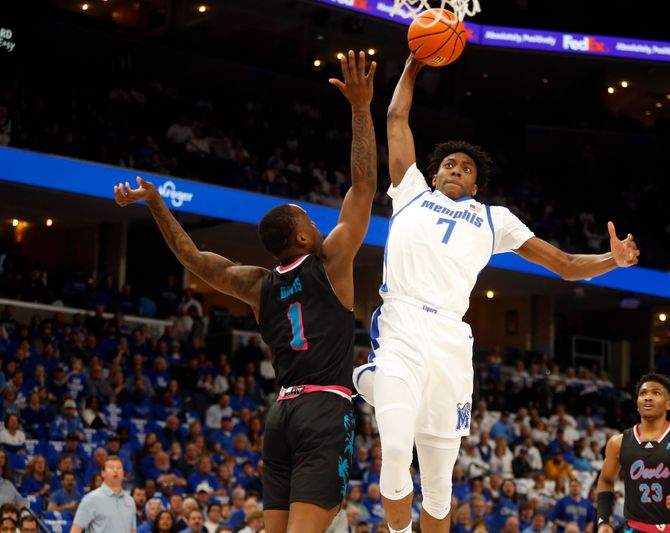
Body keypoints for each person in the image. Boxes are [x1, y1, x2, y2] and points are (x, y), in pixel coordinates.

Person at [352, 54, 640, 533]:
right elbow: (396, 118)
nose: (455, 169)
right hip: (402, 322)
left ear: (476, 182)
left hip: (450, 338)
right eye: (448, 163)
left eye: (465, 167)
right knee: (397, 451)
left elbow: (565, 265)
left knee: (441, 485)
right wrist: (414, 65)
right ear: (435, 171)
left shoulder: (494, 219)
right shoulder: (410, 191)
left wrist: (613, 260)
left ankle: (375, 384)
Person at [114, 49, 377, 533]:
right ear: (300, 238)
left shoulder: (257, 285)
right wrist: (361, 107)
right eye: (308, 220)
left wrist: (154, 201)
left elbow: (192, 257)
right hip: (324, 409)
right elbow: (363, 186)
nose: (317, 223)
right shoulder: (331, 263)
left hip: (281, 415)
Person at [595, 373, 670, 533]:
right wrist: (603, 520)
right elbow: (605, 480)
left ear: (668, 404)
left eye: (656, 393)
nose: (648, 397)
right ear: (637, 403)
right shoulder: (618, 443)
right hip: (634, 529)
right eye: (643, 393)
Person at [70, 456, 137, 533]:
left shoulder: (130, 501)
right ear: (103, 473)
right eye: (111, 467)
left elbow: (133, 531)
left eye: (119, 468)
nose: (115, 470)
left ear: (123, 474)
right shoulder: (91, 499)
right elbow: (75, 530)